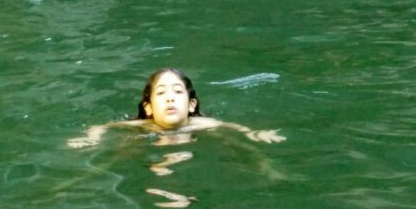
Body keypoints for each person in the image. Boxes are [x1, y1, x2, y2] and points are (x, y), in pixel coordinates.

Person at [67, 67, 285, 149]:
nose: (170, 98)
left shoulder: (202, 123)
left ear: (191, 105)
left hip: (189, 140)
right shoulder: (142, 125)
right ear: (149, 108)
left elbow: (234, 128)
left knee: (235, 146)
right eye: (161, 93)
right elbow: (102, 127)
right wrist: (91, 139)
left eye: (177, 92)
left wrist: (254, 134)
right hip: (149, 143)